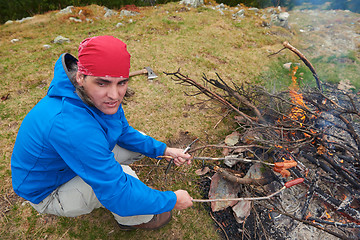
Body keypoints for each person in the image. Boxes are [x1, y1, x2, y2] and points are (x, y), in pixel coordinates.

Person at [11, 35, 193, 230]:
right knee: (124, 177)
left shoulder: (95, 98)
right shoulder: (71, 125)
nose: (114, 95)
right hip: (48, 191)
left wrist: (164, 150)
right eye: (102, 83)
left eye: (121, 82)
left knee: (135, 142)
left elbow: (122, 131)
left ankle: (106, 173)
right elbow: (118, 191)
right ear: (81, 77)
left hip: (67, 162)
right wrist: (171, 200)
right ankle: (136, 219)